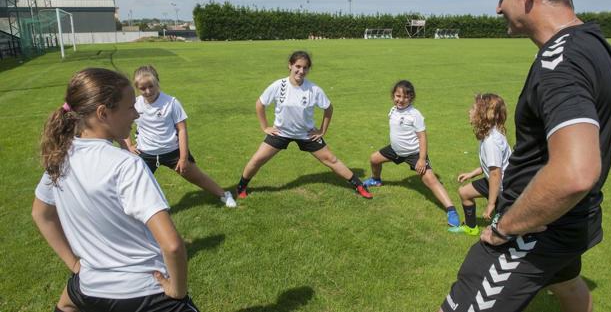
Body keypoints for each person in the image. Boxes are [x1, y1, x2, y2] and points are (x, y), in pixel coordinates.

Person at [440, 0, 611, 312]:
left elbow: (576, 174)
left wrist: (506, 227)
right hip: (572, 221)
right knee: (570, 289)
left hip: (535, 229)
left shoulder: (560, 60)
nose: (497, 8)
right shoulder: (596, 45)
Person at [32, 68, 199, 312]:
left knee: (66, 305)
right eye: (130, 107)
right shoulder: (127, 164)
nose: (136, 114)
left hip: (89, 289)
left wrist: (75, 265)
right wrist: (178, 290)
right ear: (103, 113)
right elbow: (172, 245)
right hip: (145, 291)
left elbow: (41, 214)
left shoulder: (60, 159)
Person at [236, 50, 373, 199]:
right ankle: (241, 186)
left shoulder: (314, 89)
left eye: (305, 68)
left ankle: (359, 185)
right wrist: (265, 127)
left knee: (331, 160)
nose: (301, 71)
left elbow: (328, 108)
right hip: (281, 132)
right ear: (290, 65)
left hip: (306, 134)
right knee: (257, 159)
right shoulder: (279, 85)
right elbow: (260, 104)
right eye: (298, 66)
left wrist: (322, 130)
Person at [122, 65, 236, 208]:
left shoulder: (171, 102)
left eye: (151, 86)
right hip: (145, 153)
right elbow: (124, 123)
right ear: (137, 88)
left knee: (197, 177)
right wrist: (129, 145)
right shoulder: (135, 104)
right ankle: (127, 212)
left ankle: (224, 195)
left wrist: (183, 158)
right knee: (136, 185)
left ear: (157, 82)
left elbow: (182, 130)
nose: (148, 91)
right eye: (143, 88)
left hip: (173, 152)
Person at [362, 80, 460, 227]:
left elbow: (422, 137)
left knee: (430, 180)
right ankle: (376, 179)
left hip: (414, 153)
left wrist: (421, 159)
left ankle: (451, 210)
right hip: (396, 150)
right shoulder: (393, 110)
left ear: (411, 98)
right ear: (393, 96)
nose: (401, 100)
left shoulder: (415, 115)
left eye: (405, 97)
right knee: (374, 159)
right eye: (398, 96)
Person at [449, 93, 511, 236]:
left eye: (473, 109)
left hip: (504, 187)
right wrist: (472, 173)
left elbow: (496, 173)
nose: (469, 111)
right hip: (495, 181)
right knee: (464, 192)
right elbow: (492, 166)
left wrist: (491, 204)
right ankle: (471, 228)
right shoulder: (488, 134)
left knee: (503, 230)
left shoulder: (491, 142)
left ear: (483, 115)